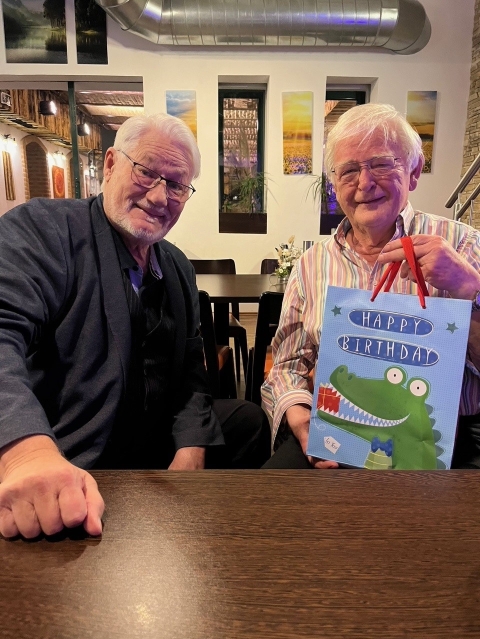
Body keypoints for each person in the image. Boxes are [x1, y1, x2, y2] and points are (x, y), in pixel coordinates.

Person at [0, 113, 270, 540]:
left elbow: (191, 373)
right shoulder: (45, 230)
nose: (160, 196)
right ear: (110, 165)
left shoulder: (176, 264)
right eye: (146, 172)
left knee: (249, 422)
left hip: (149, 434)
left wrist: (190, 445)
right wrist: (25, 452)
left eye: (177, 185)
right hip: (70, 449)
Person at [262, 103, 480, 469]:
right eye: (349, 171)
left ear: (413, 171)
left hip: (449, 442)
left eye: (380, 164)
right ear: (334, 185)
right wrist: (299, 416)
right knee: (269, 509)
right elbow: (286, 365)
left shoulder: (464, 245)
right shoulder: (312, 264)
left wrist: (471, 290)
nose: (364, 183)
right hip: (341, 431)